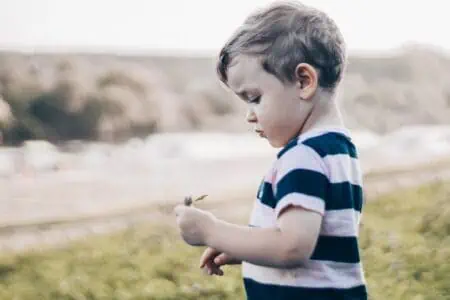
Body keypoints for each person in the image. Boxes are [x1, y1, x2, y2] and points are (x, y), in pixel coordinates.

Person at [174, 1, 368, 299]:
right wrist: (242, 245)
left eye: (254, 97)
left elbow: (291, 247)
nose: (249, 115)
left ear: (304, 81)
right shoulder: (337, 149)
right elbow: (320, 242)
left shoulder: (303, 156)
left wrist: (211, 230)